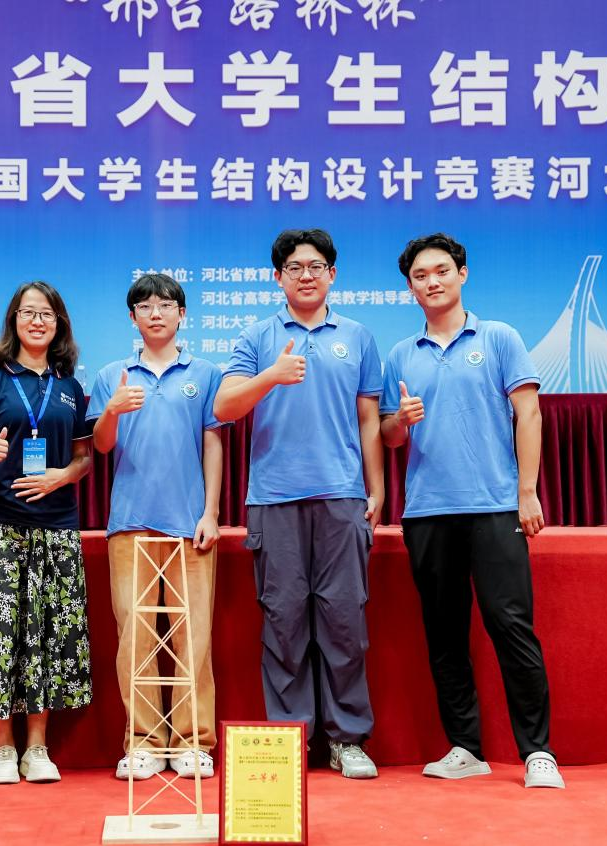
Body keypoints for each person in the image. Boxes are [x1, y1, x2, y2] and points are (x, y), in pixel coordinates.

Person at [379, 233, 564, 789]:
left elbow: (528, 414)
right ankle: (465, 747)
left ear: (462, 274)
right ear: (410, 288)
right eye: (419, 276)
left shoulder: (500, 337)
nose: (431, 282)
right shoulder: (401, 354)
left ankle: (538, 752)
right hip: (427, 512)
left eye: (441, 271)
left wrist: (526, 492)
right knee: (444, 634)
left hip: (494, 505)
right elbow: (388, 435)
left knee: (511, 627)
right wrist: (400, 421)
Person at [214, 228, 384, 779]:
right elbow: (225, 406)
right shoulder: (257, 336)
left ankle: (347, 738)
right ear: (277, 277)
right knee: (283, 623)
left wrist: (377, 488)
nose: (305, 275)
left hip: (342, 497)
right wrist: (271, 376)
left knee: (344, 622)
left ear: (332, 274)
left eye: (315, 266)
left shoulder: (358, 336)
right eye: (294, 267)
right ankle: (293, 741)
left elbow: (368, 419)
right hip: (274, 499)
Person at [0, 281, 95, 785]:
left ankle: (38, 747)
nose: (37, 321)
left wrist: (62, 476)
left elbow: (83, 458)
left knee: (48, 634)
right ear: (14, 320)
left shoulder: (70, 387)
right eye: (28, 312)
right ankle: (4, 749)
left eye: (46, 314)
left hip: (56, 524)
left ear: (59, 324)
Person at [87, 273, 224, 782]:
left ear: (182, 314)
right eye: (145, 306)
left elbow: (213, 442)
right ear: (133, 317)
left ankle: (193, 740)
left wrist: (211, 513)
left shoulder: (206, 373)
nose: (156, 313)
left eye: (166, 305)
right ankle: (142, 741)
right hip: (130, 523)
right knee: (136, 637)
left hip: (190, 525)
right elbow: (101, 446)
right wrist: (111, 411)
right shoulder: (113, 375)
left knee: (194, 636)